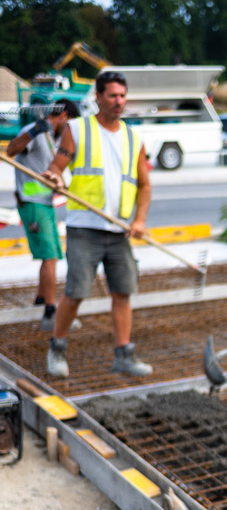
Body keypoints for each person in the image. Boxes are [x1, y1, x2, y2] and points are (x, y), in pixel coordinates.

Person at [42, 70, 152, 379]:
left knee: (123, 292)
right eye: (112, 95)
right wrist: (54, 177)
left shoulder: (134, 137)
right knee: (76, 291)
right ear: (98, 97)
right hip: (85, 228)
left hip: (118, 230)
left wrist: (140, 219)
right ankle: (57, 348)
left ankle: (123, 355)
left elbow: (145, 185)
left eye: (122, 96)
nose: (119, 102)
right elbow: (57, 167)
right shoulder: (77, 129)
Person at [7, 99, 81, 331]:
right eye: (69, 123)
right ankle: (50, 313)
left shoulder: (51, 138)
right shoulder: (35, 132)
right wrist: (34, 132)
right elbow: (11, 150)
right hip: (32, 203)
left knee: (51, 254)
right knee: (50, 256)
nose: (69, 129)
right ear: (63, 115)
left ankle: (41, 300)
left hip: (44, 203)